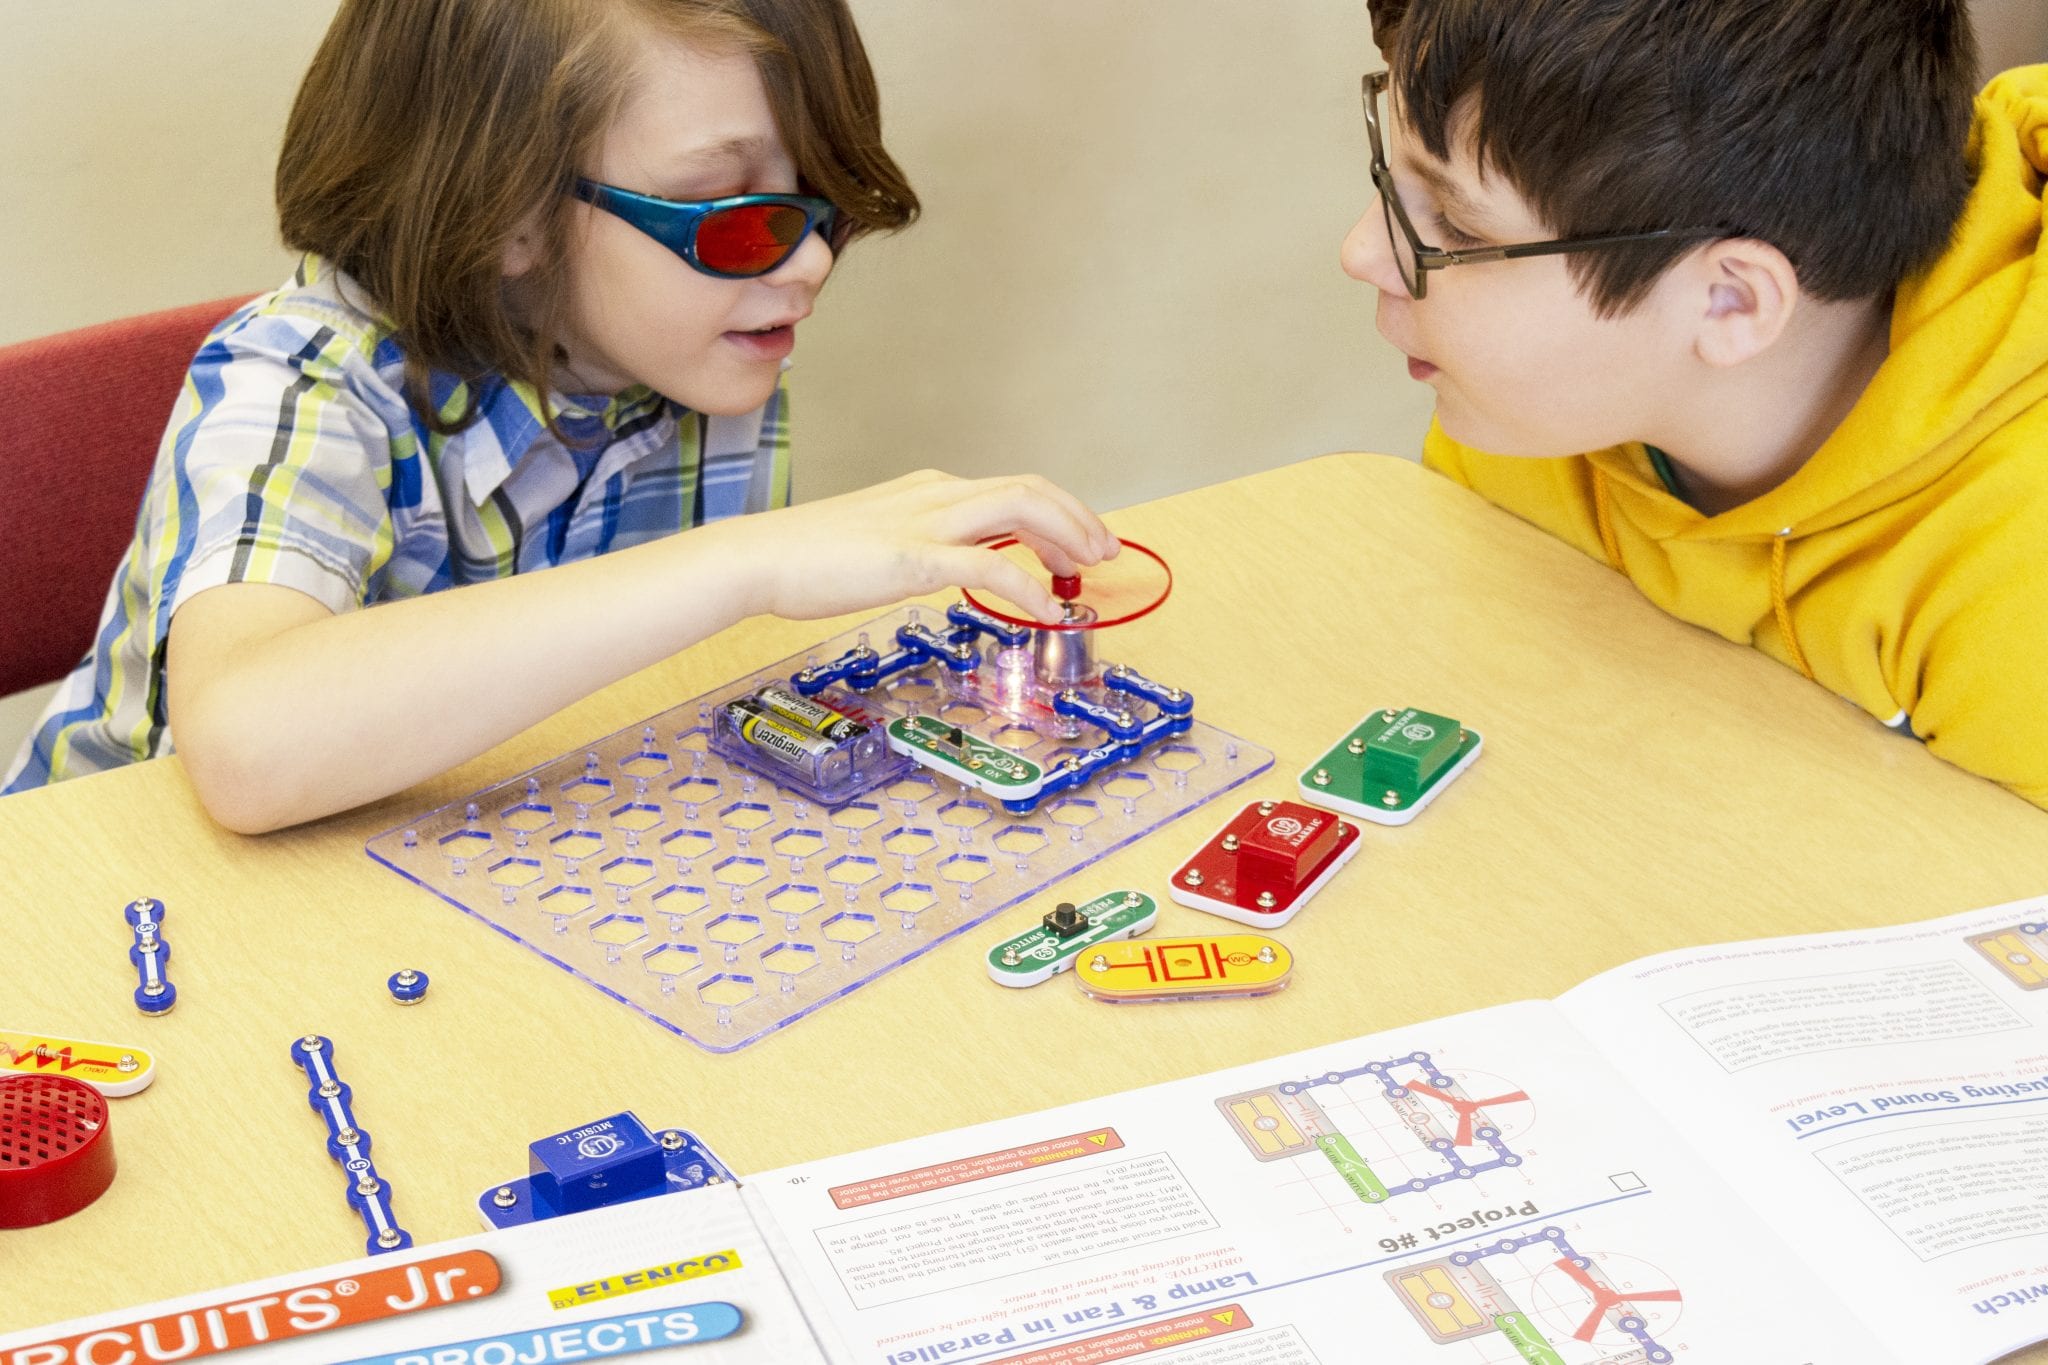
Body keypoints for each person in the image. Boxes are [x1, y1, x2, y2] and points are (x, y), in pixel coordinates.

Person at [2, 0, 1116, 830]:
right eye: (731, 218)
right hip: (111, 926)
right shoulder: (299, 381)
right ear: (512, 216)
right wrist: (747, 561)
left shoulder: (689, 351)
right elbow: (250, 744)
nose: (812, 261)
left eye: (818, 199)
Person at [1344, 0, 2048, 809]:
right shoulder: (1529, 412)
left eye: (1456, 226)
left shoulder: (2019, 598)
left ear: (1729, 304)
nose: (1361, 252)